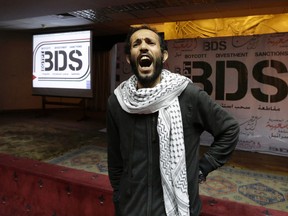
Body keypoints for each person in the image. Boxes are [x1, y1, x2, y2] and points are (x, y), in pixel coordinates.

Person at [107, 25, 240, 216]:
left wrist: (203, 167)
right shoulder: (116, 102)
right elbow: (115, 159)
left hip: (179, 207)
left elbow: (230, 129)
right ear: (129, 58)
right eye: (137, 44)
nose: (143, 47)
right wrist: (119, 196)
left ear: (163, 56)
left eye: (150, 42)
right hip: (131, 208)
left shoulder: (188, 94)